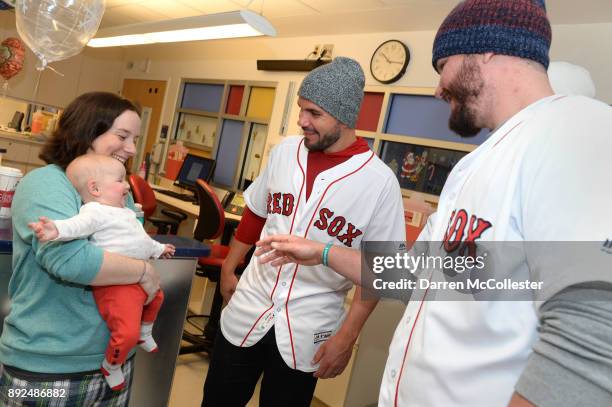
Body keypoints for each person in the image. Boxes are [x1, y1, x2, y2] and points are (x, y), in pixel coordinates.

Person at [256, 1, 612, 406]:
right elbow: (414, 275)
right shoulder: (489, 159)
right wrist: (321, 252)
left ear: (486, 51)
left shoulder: (576, 132)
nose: (438, 87)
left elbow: (596, 329)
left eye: (443, 64)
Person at [202, 57, 406, 406]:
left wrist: (348, 336)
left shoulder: (380, 182)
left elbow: (381, 270)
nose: (301, 120)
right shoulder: (284, 152)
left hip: (308, 326)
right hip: (249, 305)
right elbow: (256, 211)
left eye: (313, 113)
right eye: (300, 109)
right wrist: (228, 265)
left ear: (343, 115)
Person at [0, 92, 162, 406]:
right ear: (88, 130)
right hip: (46, 369)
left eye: (134, 139)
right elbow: (71, 261)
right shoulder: (46, 184)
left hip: (112, 361)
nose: (130, 149)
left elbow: (130, 248)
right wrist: (144, 272)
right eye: (122, 136)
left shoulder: (117, 188)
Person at [27, 154, 175, 391]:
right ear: (95, 188)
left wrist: (159, 249)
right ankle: (111, 365)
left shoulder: (125, 211)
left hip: (135, 279)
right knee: (125, 332)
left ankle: (144, 333)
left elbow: (140, 241)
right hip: (115, 284)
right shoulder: (94, 211)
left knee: (157, 298)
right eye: (120, 180)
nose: (127, 185)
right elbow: (77, 226)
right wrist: (56, 229)